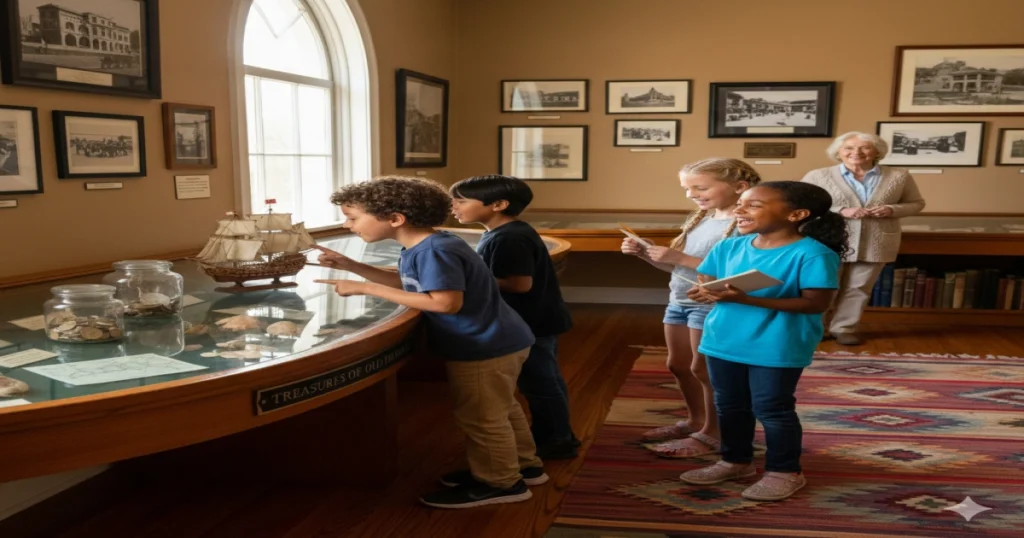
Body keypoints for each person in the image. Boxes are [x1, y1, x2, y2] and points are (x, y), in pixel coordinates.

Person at [312, 176, 544, 509]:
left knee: (482, 418)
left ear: (395, 219)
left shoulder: (435, 250)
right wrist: (350, 266)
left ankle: (502, 483)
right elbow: (409, 283)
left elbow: (445, 303)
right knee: (501, 408)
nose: (348, 225)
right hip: (501, 339)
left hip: (484, 346)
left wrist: (366, 289)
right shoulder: (429, 244)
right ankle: (523, 465)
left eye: (353, 217)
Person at [679, 181, 846, 501]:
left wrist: (746, 299)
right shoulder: (728, 246)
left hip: (777, 343)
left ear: (797, 214)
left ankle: (785, 471)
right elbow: (708, 281)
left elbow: (816, 304)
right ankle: (735, 461)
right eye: (740, 203)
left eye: (753, 205)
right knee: (729, 406)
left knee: (772, 407)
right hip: (723, 339)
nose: (739, 210)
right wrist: (705, 291)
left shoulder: (813, 254)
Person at [621, 158, 759, 458]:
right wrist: (647, 254)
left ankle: (714, 432)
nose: (691, 194)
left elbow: (738, 275)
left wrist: (678, 257)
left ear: (740, 187)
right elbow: (678, 270)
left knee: (704, 369)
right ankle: (696, 421)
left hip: (710, 304)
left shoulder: (746, 226)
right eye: (687, 188)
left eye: (700, 187)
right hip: (679, 301)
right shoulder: (702, 219)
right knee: (679, 365)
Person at [449, 174, 581, 460]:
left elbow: (520, 284)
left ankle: (557, 440)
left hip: (531, 322)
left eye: (461, 201)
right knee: (545, 381)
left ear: (498, 204)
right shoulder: (504, 232)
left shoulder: (510, 238)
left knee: (540, 383)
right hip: (535, 319)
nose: (454, 207)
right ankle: (557, 434)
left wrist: (468, 277)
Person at [802, 131, 925, 345]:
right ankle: (817, 328)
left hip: (877, 240)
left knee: (859, 287)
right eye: (848, 148)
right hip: (830, 239)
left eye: (864, 147)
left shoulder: (899, 176)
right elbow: (803, 204)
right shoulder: (818, 175)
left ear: (876, 152)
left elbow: (916, 203)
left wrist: (891, 209)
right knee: (825, 284)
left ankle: (844, 328)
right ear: (839, 152)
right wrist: (841, 210)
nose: (856, 152)